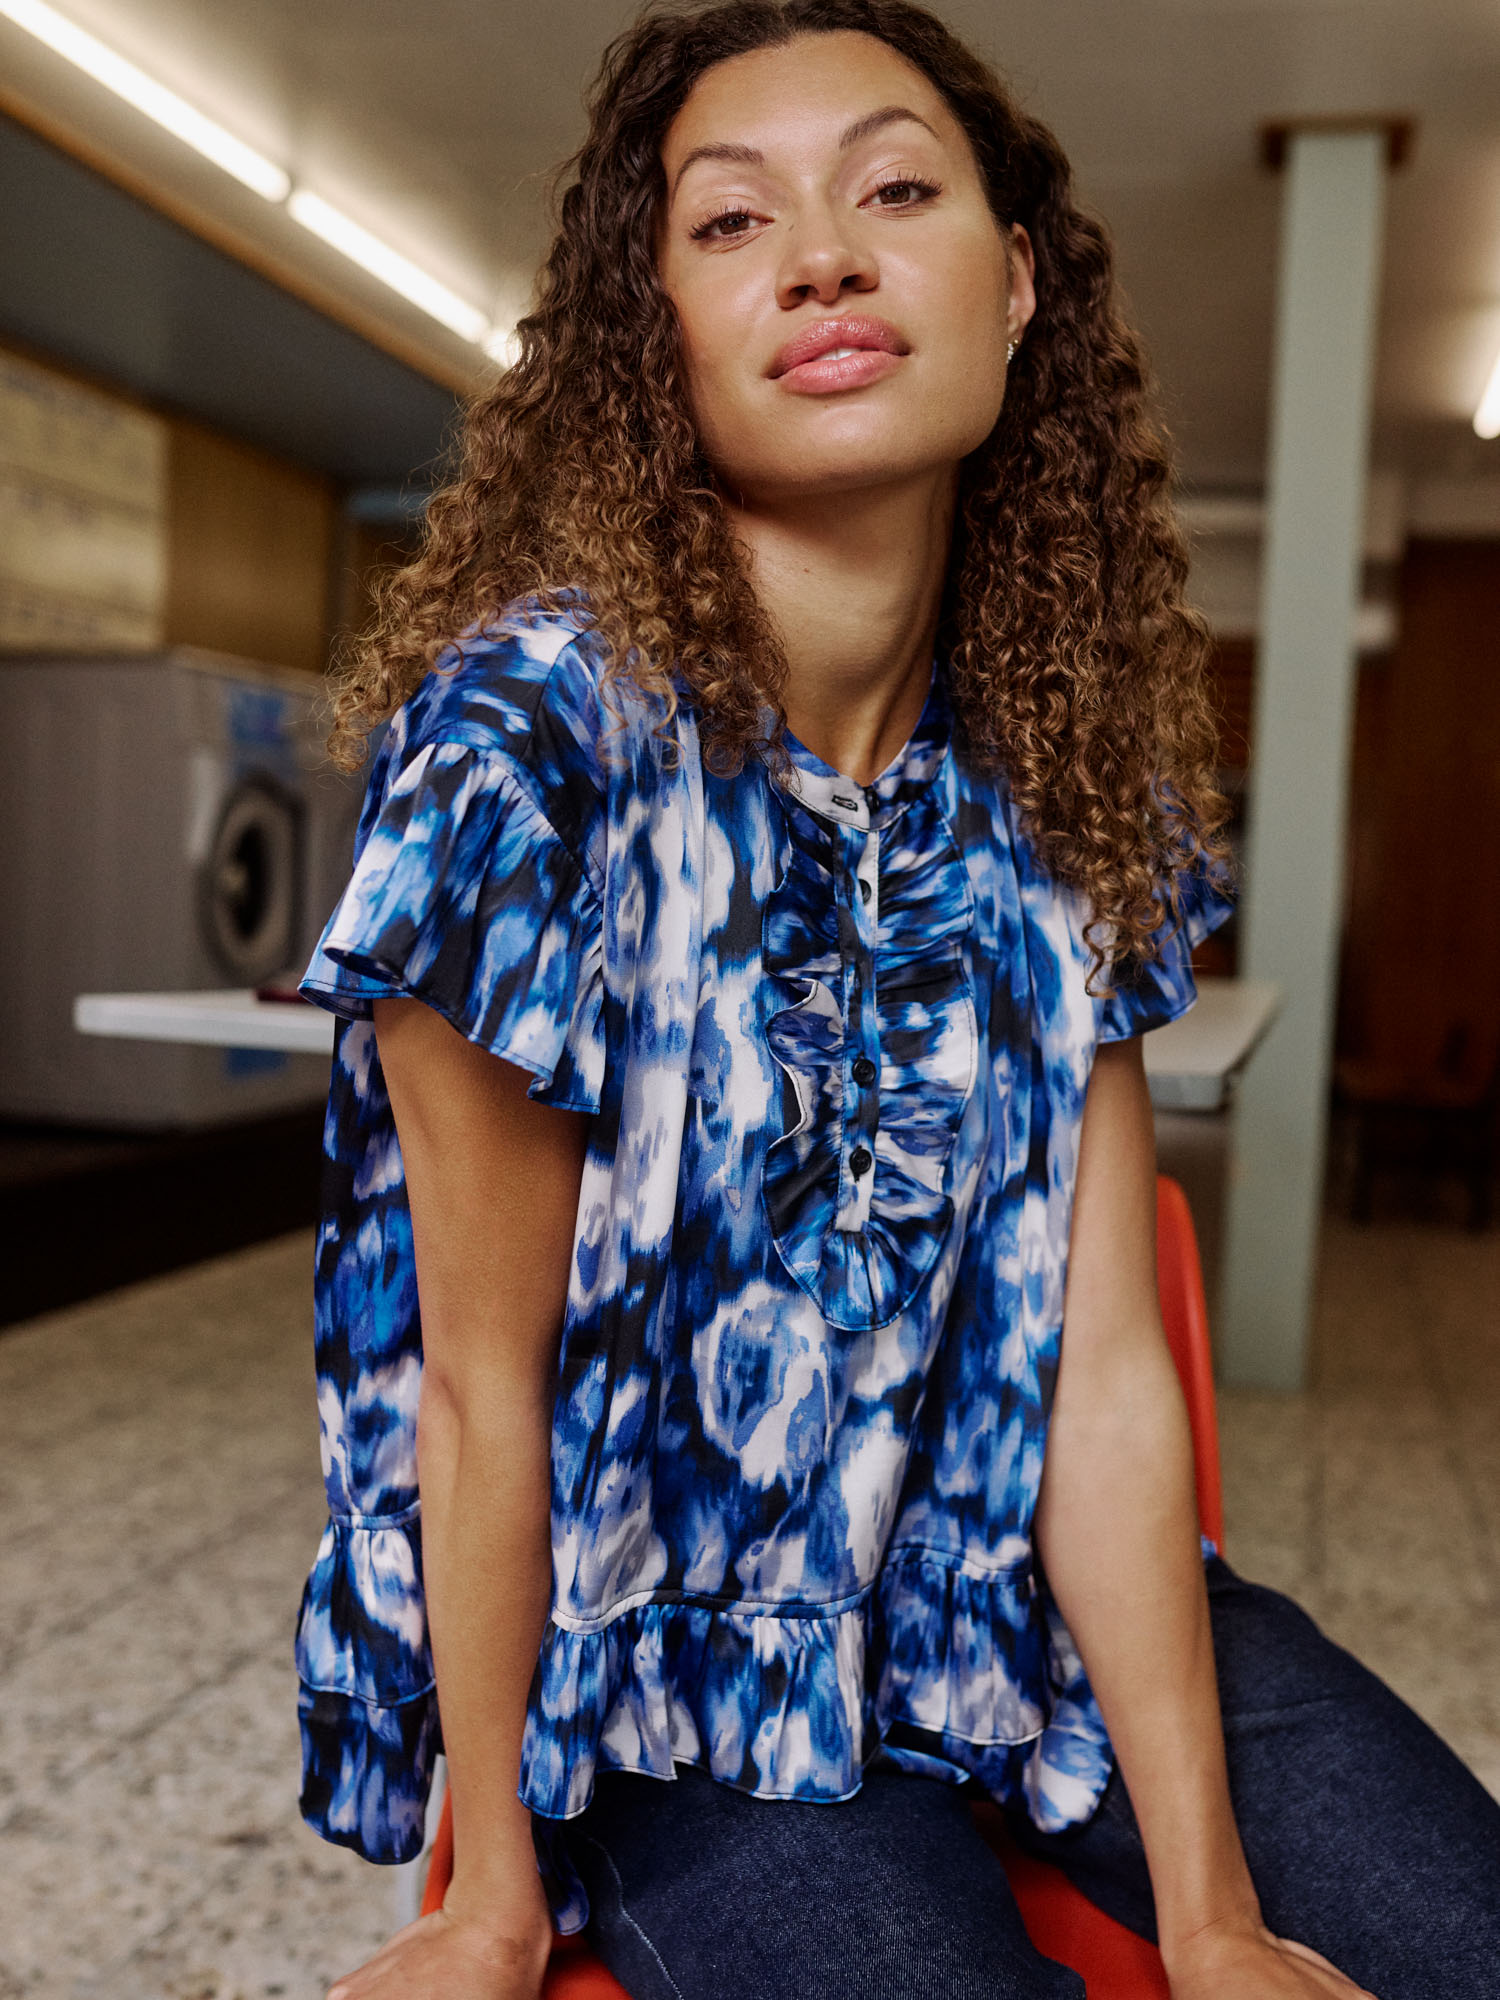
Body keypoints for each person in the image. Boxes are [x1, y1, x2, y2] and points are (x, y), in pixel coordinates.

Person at [293, 4, 1500, 1996]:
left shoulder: (1058, 777)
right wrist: (491, 1892)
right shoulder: (528, 749)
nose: (824, 257)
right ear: (650, 329)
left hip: (1008, 1614)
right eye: (731, 221)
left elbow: (1102, 1372)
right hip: (676, 1674)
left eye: (897, 189)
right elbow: (473, 1386)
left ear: (1015, 281)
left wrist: (1213, 1917)